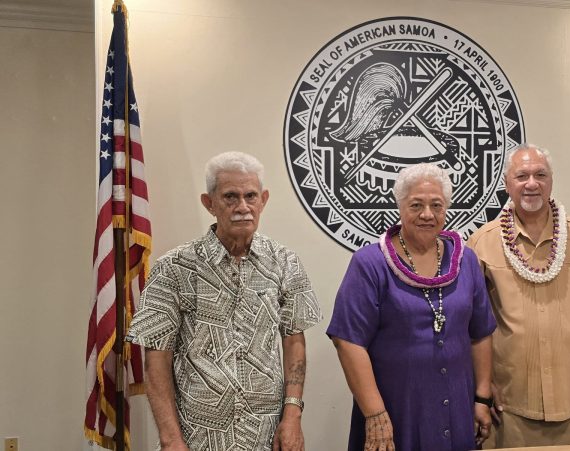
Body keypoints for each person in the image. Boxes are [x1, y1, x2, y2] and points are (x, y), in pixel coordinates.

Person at [127, 151, 321, 451]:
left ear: (264, 199)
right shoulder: (173, 268)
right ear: (210, 203)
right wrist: (170, 439)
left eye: (251, 196)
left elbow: (294, 341)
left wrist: (293, 415)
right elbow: (156, 360)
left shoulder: (286, 263)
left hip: (266, 436)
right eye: (230, 196)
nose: (242, 207)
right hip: (197, 437)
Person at [467, 143, 570, 447]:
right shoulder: (482, 243)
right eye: (522, 176)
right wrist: (483, 385)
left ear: (551, 181)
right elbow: (470, 325)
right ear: (507, 184)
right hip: (508, 410)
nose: (532, 183)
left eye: (540, 174)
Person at [327, 163, 497, 451]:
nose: (427, 214)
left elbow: (480, 332)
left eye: (436, 205)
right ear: (400, 206)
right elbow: (348, 341)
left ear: (447, 209)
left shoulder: (465, 260)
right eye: (416, 205)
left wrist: (482, 397)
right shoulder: (370, 264)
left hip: (457, 408)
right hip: (395, 410)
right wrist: (375, 413)